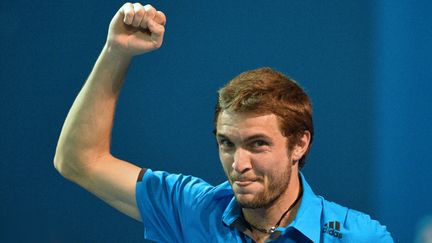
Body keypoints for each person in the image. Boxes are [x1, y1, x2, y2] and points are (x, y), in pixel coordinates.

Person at [54, 2, 394, 242]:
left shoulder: (358, 235)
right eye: (226, 144)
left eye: (258, 143)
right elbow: (78, 160)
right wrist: (117, 51)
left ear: (300, 143)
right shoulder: (192, 208)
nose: (238, 164)